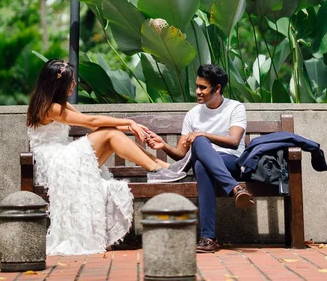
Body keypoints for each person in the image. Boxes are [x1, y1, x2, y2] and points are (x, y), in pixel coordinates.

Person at [26, 59, 187, 255]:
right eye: (71, 82)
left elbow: (95, 125)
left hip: (61, 157)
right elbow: (91, 121)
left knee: (111, 133)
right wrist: (128, 122)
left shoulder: (56, 104)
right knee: (110, 135)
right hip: (56, 164)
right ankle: (157, 169)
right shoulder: (52, 108)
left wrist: (130, 126)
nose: (74, 85)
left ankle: (163, 167)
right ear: (58, 85)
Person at [146, 64, 253, 253]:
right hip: (215, 168)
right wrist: (163, 145)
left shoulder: (235, 108)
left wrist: (204, 135)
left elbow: (234, 141)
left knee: (201, 161)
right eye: (197, 86)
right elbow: (180, 153)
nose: (197, 92)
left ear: (217, 88)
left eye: (202, 87)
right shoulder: (193, 114)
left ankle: (208, 238)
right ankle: (235, 188)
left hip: (231, 162)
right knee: (200, 153)